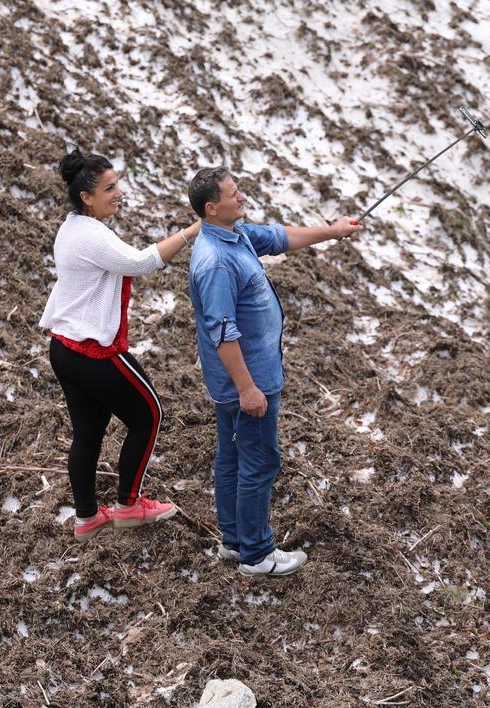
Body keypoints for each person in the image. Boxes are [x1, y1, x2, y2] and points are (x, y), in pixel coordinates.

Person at [186, 167, 361, 576]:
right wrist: (248, 389)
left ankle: (235, 540)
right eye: (234, 194)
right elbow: (223, 332)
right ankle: (257, 554)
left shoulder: (235, 234)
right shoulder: (215, 262)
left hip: (240, 379)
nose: (242, 197)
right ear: (212, 208)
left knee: (231, 457)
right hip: (247, 381)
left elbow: (282, 238)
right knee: (260, 461)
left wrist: (333, 231)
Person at [41, 149, 200, 540]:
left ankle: (87, 518)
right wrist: (193, 231)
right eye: (109, 188)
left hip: (64, 347)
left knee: (88, 432)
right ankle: (130, 505)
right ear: (86, 197)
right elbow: (142, 262)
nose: (119, 193)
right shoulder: (90, 234)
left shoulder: (72, 227)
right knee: (149, 416)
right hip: (92, 351)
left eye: (117, 184)